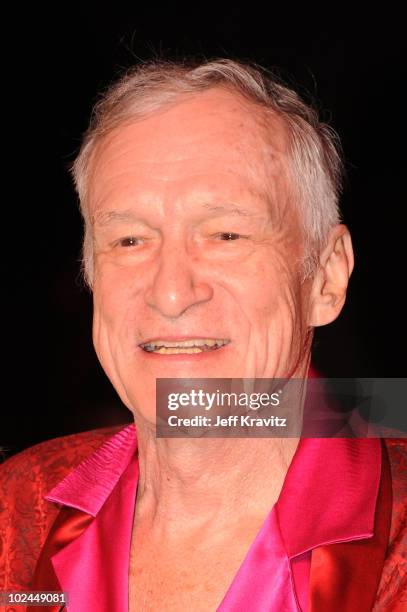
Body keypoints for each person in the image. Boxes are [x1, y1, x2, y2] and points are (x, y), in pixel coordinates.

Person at [1, 58, 405, 611]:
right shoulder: (17, 506)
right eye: (129, 241)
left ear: (326, 277)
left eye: (225, 234)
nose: (171, 293)